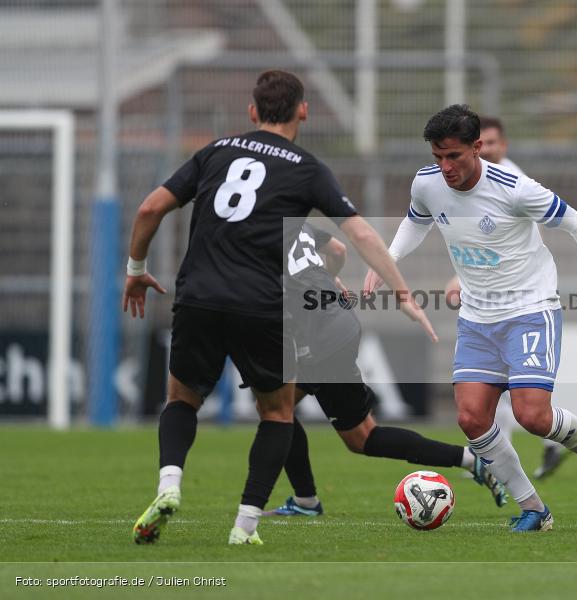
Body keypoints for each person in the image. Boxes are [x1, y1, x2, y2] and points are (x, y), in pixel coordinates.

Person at [124, 70, 435, 546]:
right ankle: (245, 525)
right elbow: (360, 236)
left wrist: (136, 269)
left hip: (197, 296)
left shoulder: (214, 152)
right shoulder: (306, 168)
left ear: (252, 111)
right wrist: (406, 297)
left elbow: (149, 209)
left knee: (181, 400)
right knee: (276, 413)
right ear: (303, 110)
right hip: (261, 305)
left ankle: (169, 485)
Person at [365, 104, 577, 532]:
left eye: (454, 156)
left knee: (532, 416)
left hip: (530, 309)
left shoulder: (515, 188)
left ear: (478, 148)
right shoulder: (428, 184)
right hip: (477, 316)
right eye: (438, 157)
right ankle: (534, 509)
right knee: (472, 418)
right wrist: (389, 260)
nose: (445, 167)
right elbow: (416, 221)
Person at [264, 222, 507, 517]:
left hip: (317, 338)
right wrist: (326, 280)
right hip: (338, 324)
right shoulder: (294, 220)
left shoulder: (255, 229)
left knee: (278, 409)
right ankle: (471, 459)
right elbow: (338, 250)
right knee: (359, 436)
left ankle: (304, 502)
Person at [446, 116, 569, 480]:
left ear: (502, 146)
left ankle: (498, 461)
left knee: (517, 396)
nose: (491, 149)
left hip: (524, 298)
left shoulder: (511, 180)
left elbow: (505, 245)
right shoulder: (464, 182)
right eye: (485, 142)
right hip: (490, 301)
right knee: (502, 392)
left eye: (496, 142)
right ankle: (529, 454)